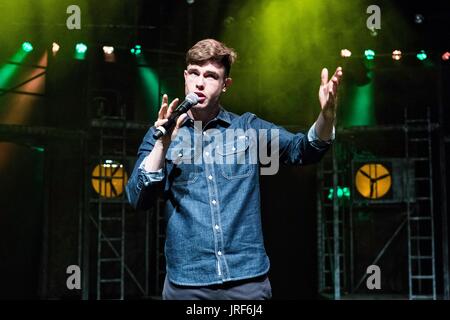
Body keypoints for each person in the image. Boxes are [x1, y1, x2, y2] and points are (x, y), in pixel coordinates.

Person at [126, 39, 342, 300]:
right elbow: (138, 198)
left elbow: (303, 150)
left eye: (211, 76)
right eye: (194, 73)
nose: (200, 83)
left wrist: (326, 118)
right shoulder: (160, 134)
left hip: (246, 282)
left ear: (225, 85)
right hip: (187, 284)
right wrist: (162, 144)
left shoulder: (246, 128)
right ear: (185, 76)